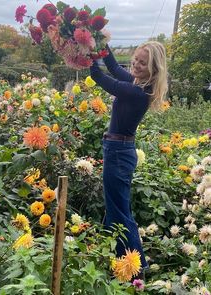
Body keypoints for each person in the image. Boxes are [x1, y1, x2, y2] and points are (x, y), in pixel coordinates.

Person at [90, 41, 168, 275]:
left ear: (153, 69)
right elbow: (113, 67)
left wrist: (87, 53)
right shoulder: (136, 83)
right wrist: (99, 42)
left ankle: (137, 268)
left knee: (120, 212)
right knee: (116, 209)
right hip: (118, 150)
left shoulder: (138, 92)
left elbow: (101, 77)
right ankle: (118, 260)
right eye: (135, 58)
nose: (136, 63)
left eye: (143, 62)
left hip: (118, 153)